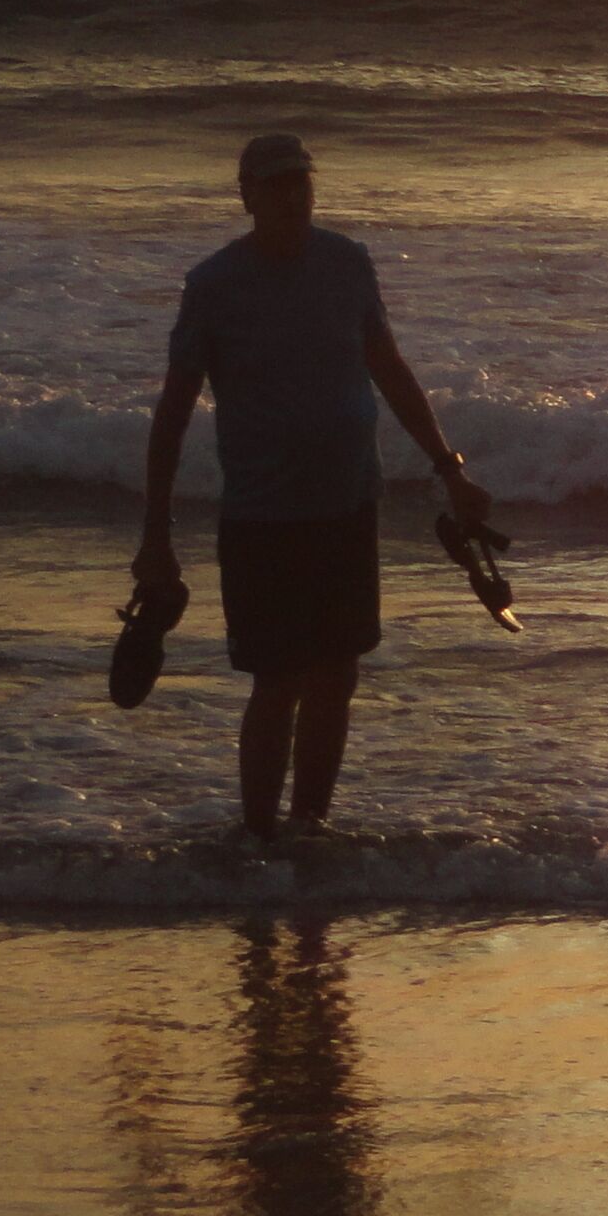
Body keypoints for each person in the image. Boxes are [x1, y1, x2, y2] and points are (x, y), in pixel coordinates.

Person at [135, 133, 491, 840]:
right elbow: (173, 413)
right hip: (263, 516)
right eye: (275, 186)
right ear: (247, 198)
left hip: (347, 504)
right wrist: (155, 537)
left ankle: (310, 831)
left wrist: (450, 469)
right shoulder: (213, 285)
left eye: (301, 182)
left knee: (338, 677)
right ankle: (261, 841)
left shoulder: (347, 264)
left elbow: (388, 369)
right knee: (279, 682)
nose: (293, 197)